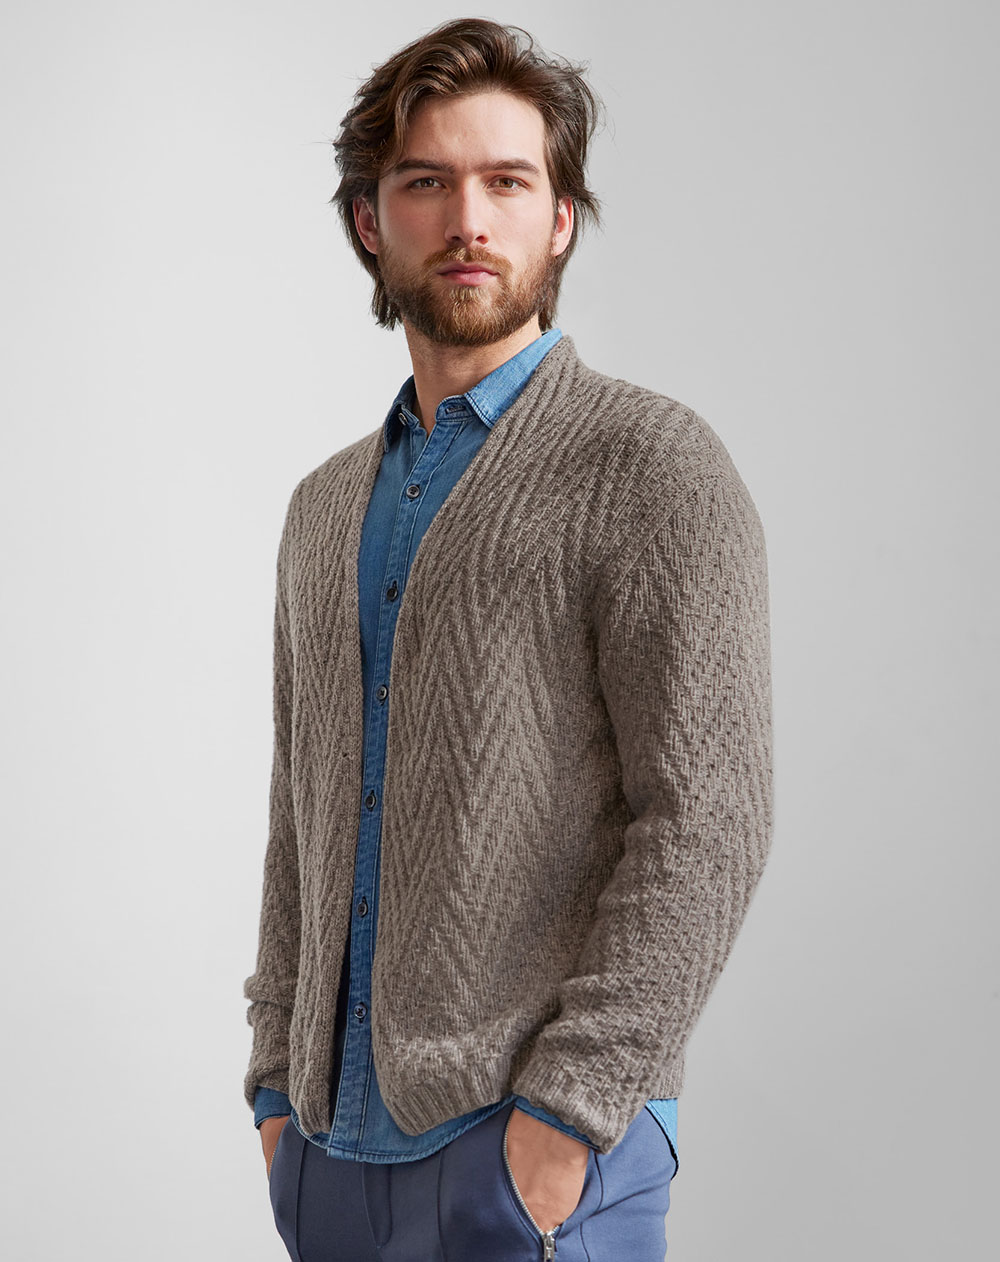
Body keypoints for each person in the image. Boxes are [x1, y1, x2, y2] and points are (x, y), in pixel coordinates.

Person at [242, 17, 774, 1261]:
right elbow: (301, 808)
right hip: (326, 1157)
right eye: (427, 183)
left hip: (528, 1156)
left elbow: (710, 817)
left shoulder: (650, 465)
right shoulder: (325, 505)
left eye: (507, 182)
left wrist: (565, 1115)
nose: (468, 220)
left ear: (562, 219)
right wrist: (274, 1081)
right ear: (369, 222)